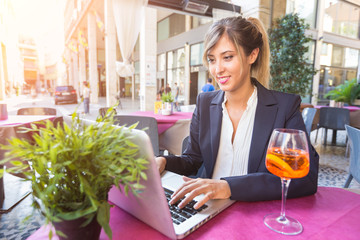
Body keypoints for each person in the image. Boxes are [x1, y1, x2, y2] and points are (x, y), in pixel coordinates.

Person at [155, 16, 319, 210]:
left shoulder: (284, 107)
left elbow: (306, 179)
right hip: (208, 209)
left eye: (227, 57)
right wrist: (164, 161)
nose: (217, 69)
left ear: (252, 55)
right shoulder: (205, 103)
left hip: (253, 212)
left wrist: (228, 187)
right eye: (211, 59)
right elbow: (193, 160)